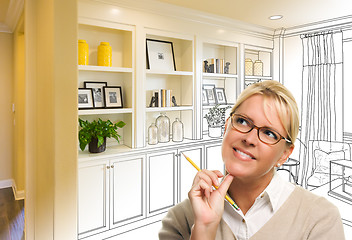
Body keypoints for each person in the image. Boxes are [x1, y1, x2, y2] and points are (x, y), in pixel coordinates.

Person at [159, 81, 345, 240]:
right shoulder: (180, 219)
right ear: (226, 128)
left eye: (269, 133)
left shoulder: (320, 219)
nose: (249, 139)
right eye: (242, 122)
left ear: (285, 154)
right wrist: (204, 230)